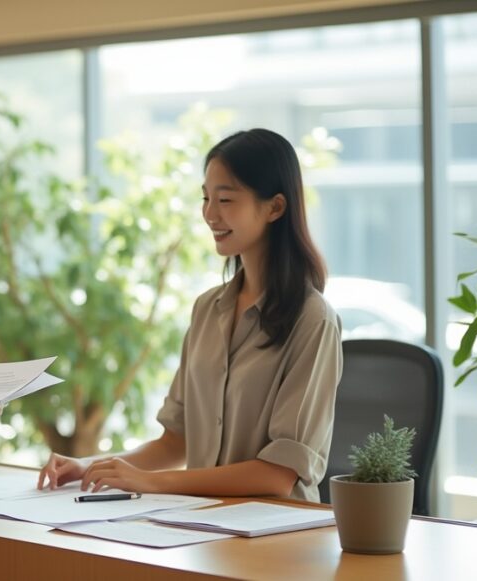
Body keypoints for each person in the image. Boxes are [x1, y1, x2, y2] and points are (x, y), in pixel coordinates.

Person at [38, 128, 343, 502]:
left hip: (275, 535)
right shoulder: (207, 310)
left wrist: (150, 483)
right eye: (205, 198)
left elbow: (279, 475)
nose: (210, 214)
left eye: (226, 199)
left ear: (275, 207)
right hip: (202, 527)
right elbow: (175, 442)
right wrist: (91, 465)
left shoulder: (313, 320)